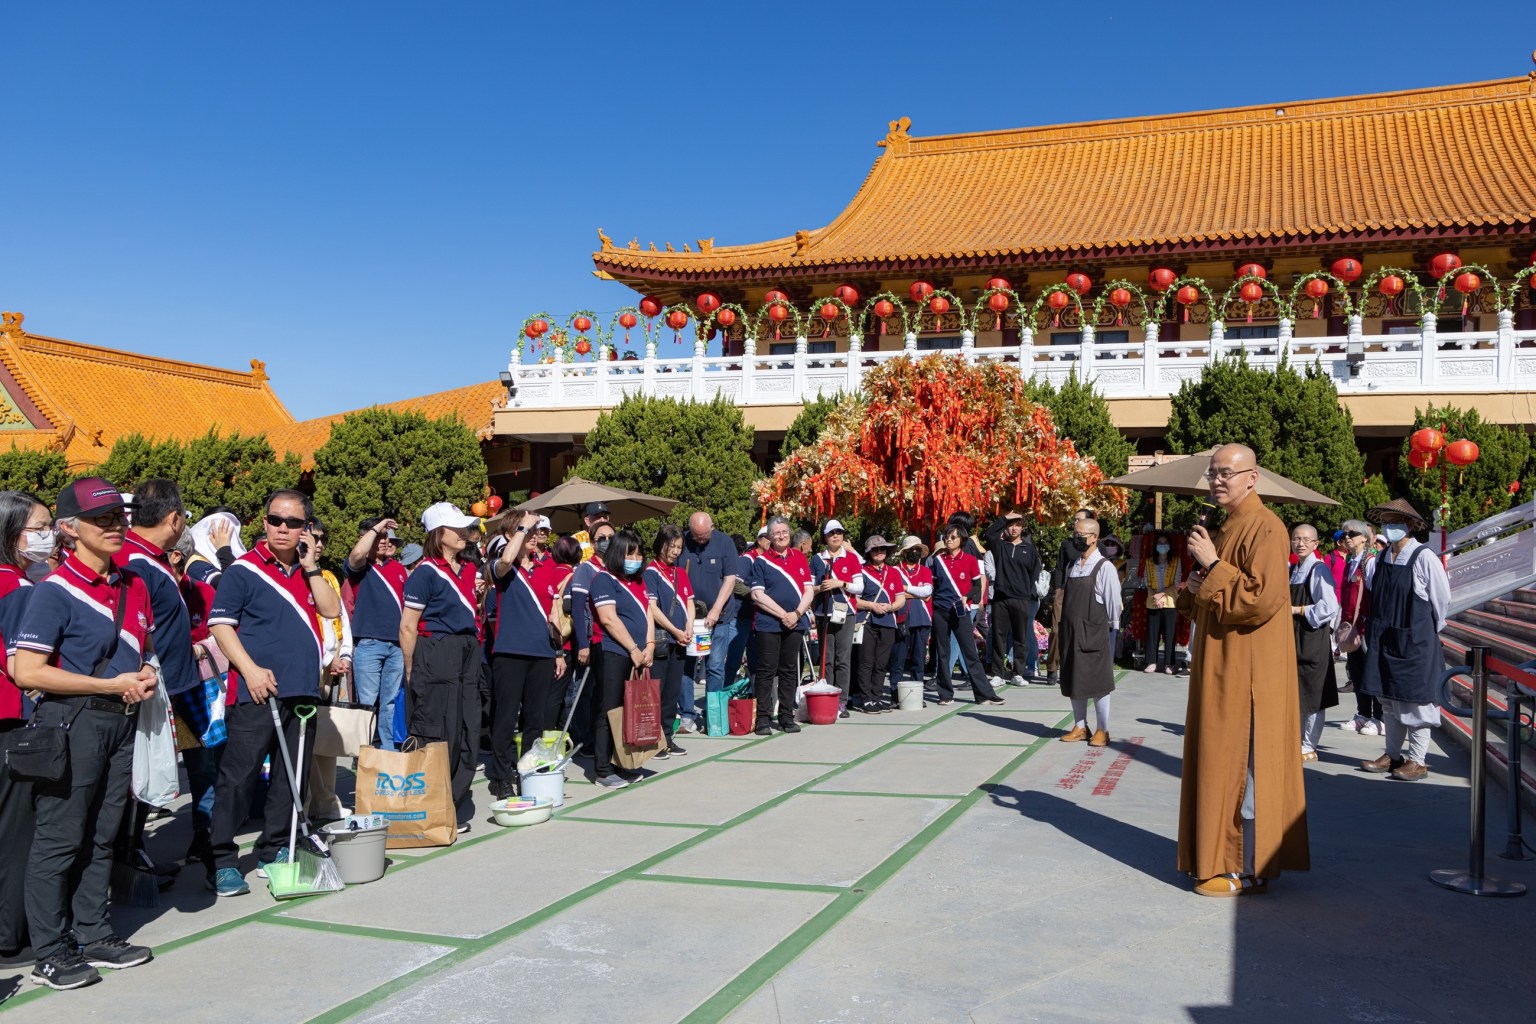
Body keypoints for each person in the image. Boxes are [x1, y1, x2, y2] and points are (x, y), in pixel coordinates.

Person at [13, 479, 158, 988]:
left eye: (119, 517)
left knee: (102, 834)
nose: (116, 526)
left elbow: (140, 649)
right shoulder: (54, 591)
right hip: (71, 723)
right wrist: (106, 682)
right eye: (102, 520)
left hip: (120, 720)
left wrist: (144, 674)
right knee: (59, 838)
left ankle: (94, 933)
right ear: (69, 530)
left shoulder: (133, 584)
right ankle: (50, 950)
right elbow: (26, 671)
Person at [1177, 443, 1308, 897]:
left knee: (1244, 764)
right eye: (1212, 473)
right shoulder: (1224, 526)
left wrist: (1211, 565)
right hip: (1219, 661)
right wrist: (1195, 583)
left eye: (1226, 474)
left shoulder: (1266, 527)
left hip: (1249, 668)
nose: (1216, 481)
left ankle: (1246, 866)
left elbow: (1259, 599)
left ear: (1252, 477)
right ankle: (1216, 857)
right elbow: (1210, 599)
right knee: (1217, 759)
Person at [206, 489, 339, 897]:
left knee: (291, 777)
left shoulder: (308, 570)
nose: (284, 529)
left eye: (294, 523)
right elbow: (220, 625)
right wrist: (249, 670)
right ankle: (222, 859)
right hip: (256, 691)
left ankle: (275, 847)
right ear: (263, 523)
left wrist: (312, 566)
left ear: (307, 529)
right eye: (276, 520)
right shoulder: (243, 571)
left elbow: (332, 611)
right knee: (239, 777)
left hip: (302, 690)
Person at [112, 480, 198, 873]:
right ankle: (127, 855)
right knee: (138, 775)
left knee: (150, 772)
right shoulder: (136, 562)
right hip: (148, 688)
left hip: (169, 685)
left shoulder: (150, 558)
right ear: (174, 518)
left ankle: (133, 850)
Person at [401, 502, 484, 833]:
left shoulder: (466, 569)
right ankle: (431, 805)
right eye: (456, 528)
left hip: (467, 650)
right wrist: (411, 669)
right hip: (436, 651)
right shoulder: (424, 573)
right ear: (439, 534)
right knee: (439, 729)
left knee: (468, 725)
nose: (464, 533)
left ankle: (452, 800)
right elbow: (408, 626)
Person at [1357, 498, 1450, 782]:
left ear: (1410, 525)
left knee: (1416, 703)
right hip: (1384, 637)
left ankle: (1417, 760)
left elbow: (1441, 600)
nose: (1389, 527)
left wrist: (1422, 631)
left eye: (1394, 522)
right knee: (1388, 700)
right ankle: (1392, 754)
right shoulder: (1382, 557)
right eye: (1385, 522)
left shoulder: (1424, 557)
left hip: (1415, 640)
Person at [0, 491, 50, 962]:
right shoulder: (16, 588)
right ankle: (8, 936)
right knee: (16, 832)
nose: (47, 535)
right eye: (39, 527)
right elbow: (22, 665)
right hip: (11, 719)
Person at [484, 511, 559, 799]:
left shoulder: (546, 564)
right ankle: (502, 776)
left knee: (535, 719)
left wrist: (558, 652)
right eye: (527, 532)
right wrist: (522, 526)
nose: (533, 537)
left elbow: (551, 612)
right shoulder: (500, 567)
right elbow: (504, 561)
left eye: (534, 532)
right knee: (505, 717)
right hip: (509, 653)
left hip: (541, 652)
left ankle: (529, 770)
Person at [588, 529, 656, 788]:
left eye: (639, 553)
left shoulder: (639, 581)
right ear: (618, 553)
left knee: (630, 709)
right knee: (610, 709)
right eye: (631, 553)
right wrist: (632, 648)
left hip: (639, 653)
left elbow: (648, 612)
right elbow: (608, 619)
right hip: (614, 652)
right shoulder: (603, 580)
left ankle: (622, 762)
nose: (636, 558)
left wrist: (649, 645)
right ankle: (602, 769)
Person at [345, 517, 408, 750]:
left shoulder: (399, 568)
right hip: (369, 644)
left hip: (397, 645)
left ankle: (387, 749)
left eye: (385, 536)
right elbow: (356, 555)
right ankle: (363, 750)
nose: (384, 541)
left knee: (390, 701)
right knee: (367, 703)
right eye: (379, 536)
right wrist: (375, 528)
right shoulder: (360, 567)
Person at [1056, 517, 1120, 745]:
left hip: (1094, 631)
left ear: (1094, 538)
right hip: (1072, 631)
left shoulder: (1105, 567)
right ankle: (1080, 726)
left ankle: (1103, 729)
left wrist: (1112, 629)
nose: (1076, 538)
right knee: (1075, 678)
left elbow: (1114, 603)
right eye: (1074, 534)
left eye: (1080, 535)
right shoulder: (1072, 566)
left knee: (1098, 681)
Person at [305, 522, 354, 821]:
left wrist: (345, 654)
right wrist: (326, 660)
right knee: (308, 742)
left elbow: (340, 619)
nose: (320, 544)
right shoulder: (298, 577)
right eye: (314, 539)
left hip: (333, 664)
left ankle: (326, 803)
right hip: (312, 665)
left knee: (327, 740)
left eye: (323, 538)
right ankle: (310, 803)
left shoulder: (328, 577)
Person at [748, 516, 814, 735]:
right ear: (769, 537)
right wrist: (783, 614)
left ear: (790, 532)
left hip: (796, 622)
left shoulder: (800, 558)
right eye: (776, 533)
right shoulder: (761, 561)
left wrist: (796, 614)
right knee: (766, 671)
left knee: (789, 670)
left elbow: (809, 590)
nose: (781, 536)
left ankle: (786, 716)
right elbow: (757, 594)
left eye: (784, 531)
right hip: (769, 624)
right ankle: (763, 719)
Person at [930, 524, 1004, 706]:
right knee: (942, 652)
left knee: (970, 652)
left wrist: (967, 597)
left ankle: (984, 694)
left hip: (961, 610)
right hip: (940, 610)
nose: (949, 539)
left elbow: (977, 587)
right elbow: (932, 587)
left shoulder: (971, 560)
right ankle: (945, 694)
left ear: (961, 540)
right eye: (947, 536)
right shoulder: (938, 561)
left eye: (953, 537)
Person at [678, 511, 739, 729]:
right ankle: (687, 714)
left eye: (704, 536)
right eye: (697, 537)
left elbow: (730, 579)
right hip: (690, 617)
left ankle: (713, 712)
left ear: (711, 528)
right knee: (687, 665)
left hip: (719, 616)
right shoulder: (682, 542)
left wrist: (716, 609)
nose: (701, 541)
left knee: (714, 665)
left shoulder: (725, 543)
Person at [1289, 524, 1339, 763]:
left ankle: (1309, 744)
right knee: (1297, 691)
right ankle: (1297, 740)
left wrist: (1298, 609)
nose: (1300, 543)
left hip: (1312, 639)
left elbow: (1330, 607)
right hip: (1293, 638)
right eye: (1296, 539)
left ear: (1316, 544)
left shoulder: (1319, 570)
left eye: (1306, 540)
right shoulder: (1292, 570)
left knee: (1313, 693)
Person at [646, 524, 694, 757]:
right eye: (671, 546)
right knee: (657, 690)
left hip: (680, 640)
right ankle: (654, 740)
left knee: (672, 691)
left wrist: (688, 628)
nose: (675, 551)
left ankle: (667, 736)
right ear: (660, 544)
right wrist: (675, 630)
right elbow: (652, 608)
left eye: (679, 547)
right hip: (662, 639)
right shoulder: (651, 572)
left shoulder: (680, 573)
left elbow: (690, 603)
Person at [810, 519, 862, 716]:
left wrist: (841, 583)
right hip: (824, 613)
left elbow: (860, 586)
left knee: (843, 659)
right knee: (827, 658)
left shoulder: (852, 558)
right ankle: (827, 696)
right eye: (832, 533)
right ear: (825, 536)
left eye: (839, 532)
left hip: (846, 612)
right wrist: (821, 587)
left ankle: (842, 700)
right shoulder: (817, 559)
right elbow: (809, 587)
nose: (836, 536)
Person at [1335, 519, 1381, 736]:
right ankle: (1363, 713)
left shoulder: (1369, 562)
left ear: (1364, 537)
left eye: (1351, 533)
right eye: (1344, 534)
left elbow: (1376, 597)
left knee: (1371, 672)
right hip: (1351, 628)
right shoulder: (1350, 562)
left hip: (1366, 628)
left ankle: (1379, 717)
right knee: (1357, 672)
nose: (1347, 537)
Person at [986, 511, 1042, 686]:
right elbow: (989, 534)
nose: (1014, 528)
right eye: (1011, 525)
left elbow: (1034, 572)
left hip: (1021, 599)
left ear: (1022, 527)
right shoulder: (1001, 546)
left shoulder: (1029, 549)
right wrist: (1004, 518)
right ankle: (998, 673)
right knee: (998, 636)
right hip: (1001, 598)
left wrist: (1023, 589)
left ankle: (1018, 672)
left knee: (1021, 636)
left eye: (1017, 525)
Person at [853, 536, 904, 713]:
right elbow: (854, 600)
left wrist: (890, 607)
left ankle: (876, 696)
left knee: (882, 663)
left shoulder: (894, 572)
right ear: (869, 553)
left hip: (888, 621)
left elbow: (901, 598)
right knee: (866, 661)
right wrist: (872, 605)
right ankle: (866, 699)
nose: (880, 552)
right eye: (875, 549)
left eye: (883, 549)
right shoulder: (861, 572)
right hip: (867, 620)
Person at [1047, 508, 1096, 683]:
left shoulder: (1096, 546)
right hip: (1064, 589)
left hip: (1084, 592)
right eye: (1074, 520)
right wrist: (1058, 590)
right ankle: (1052, 667)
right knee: (1057, 629)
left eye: (1079, 520)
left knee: (1078, 630)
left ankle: (1074, 668)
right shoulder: (1067, 543)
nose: (1075, 523)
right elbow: (1060, 567)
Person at [889, 535, 933, 691]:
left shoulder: (926, 571)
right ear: (904, 553)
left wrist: (905, 589)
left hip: (921, 619)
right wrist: (918, 593)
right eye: (911, 550)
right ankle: (895, 692)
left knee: (918, 659)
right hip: (901, 619)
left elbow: (927, 592)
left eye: (917, 550)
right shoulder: (894, 571)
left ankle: (917, 693)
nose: (915, 552)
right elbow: (893, 591)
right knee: (898, 659)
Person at [1141, 531, 1181, 674]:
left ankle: (1169, 664)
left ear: (1170, 545)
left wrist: (1161, 595)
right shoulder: (1149, 561)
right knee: (1152, 634)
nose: (1162, 545)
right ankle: (1151, 661)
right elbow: (1146, 581)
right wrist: (1155, 596)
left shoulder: (1176, 561)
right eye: (1160, 543)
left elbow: (1176, 582)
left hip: (1170, 602)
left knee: (1170, 634)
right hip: (1153, 601)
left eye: (1165, 543)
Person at [185, 508, 245, 588]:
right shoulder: (196, 564)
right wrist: (224, 550)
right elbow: (230, 585)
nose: (225, 537)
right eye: (220, 531)